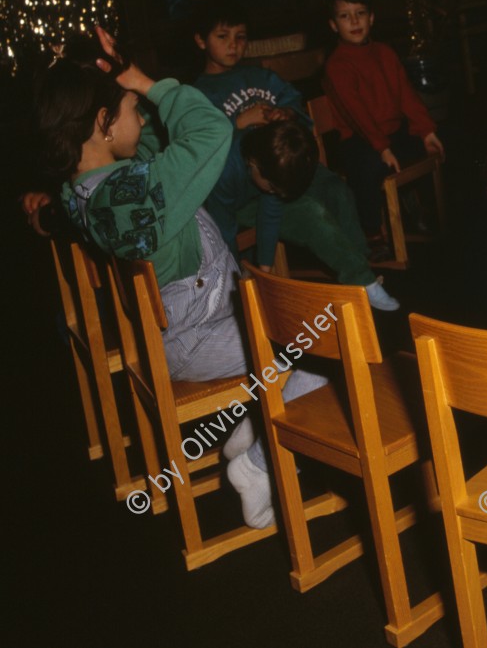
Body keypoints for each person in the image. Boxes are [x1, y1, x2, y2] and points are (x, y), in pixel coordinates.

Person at [34, 26, 327, 529]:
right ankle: (256, 469)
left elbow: (147, 143)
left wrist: (117, 83)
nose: (141, 115)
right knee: (322, 362)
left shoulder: (90, 189)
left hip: (188, 327)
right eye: (130, 109)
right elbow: (211, 131)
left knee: (287, 335)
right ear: (103, 123)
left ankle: (246, 422)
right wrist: (145, 81)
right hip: (193, 337)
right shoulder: (132, 201)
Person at [192, 0, 399, 310]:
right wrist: (239, 121)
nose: (233, 46)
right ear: (200, 40)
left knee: (337, 190)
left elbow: (300, 113)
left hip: (289, 167)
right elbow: (200, 147)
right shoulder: (199, 94)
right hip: (247, 191)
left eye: (241, 37)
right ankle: (361, 281)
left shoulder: (261, 77)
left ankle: (360, 269)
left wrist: (285, 115)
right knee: (310, 213)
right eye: (223, 37)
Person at [322, 0, 444, 248]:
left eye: (360, 13)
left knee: (421, 151)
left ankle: (416, 210)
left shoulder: (384, 53)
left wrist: (426, 130)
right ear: (333, 25)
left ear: (372, 18)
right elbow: (357, 114)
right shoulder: (337, 65)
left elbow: (406, 95)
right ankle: (371, 230)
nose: (354, 21)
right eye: (345, 16)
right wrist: (382, 148)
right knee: (367, 166)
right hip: (359, 137)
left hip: (391, 132)